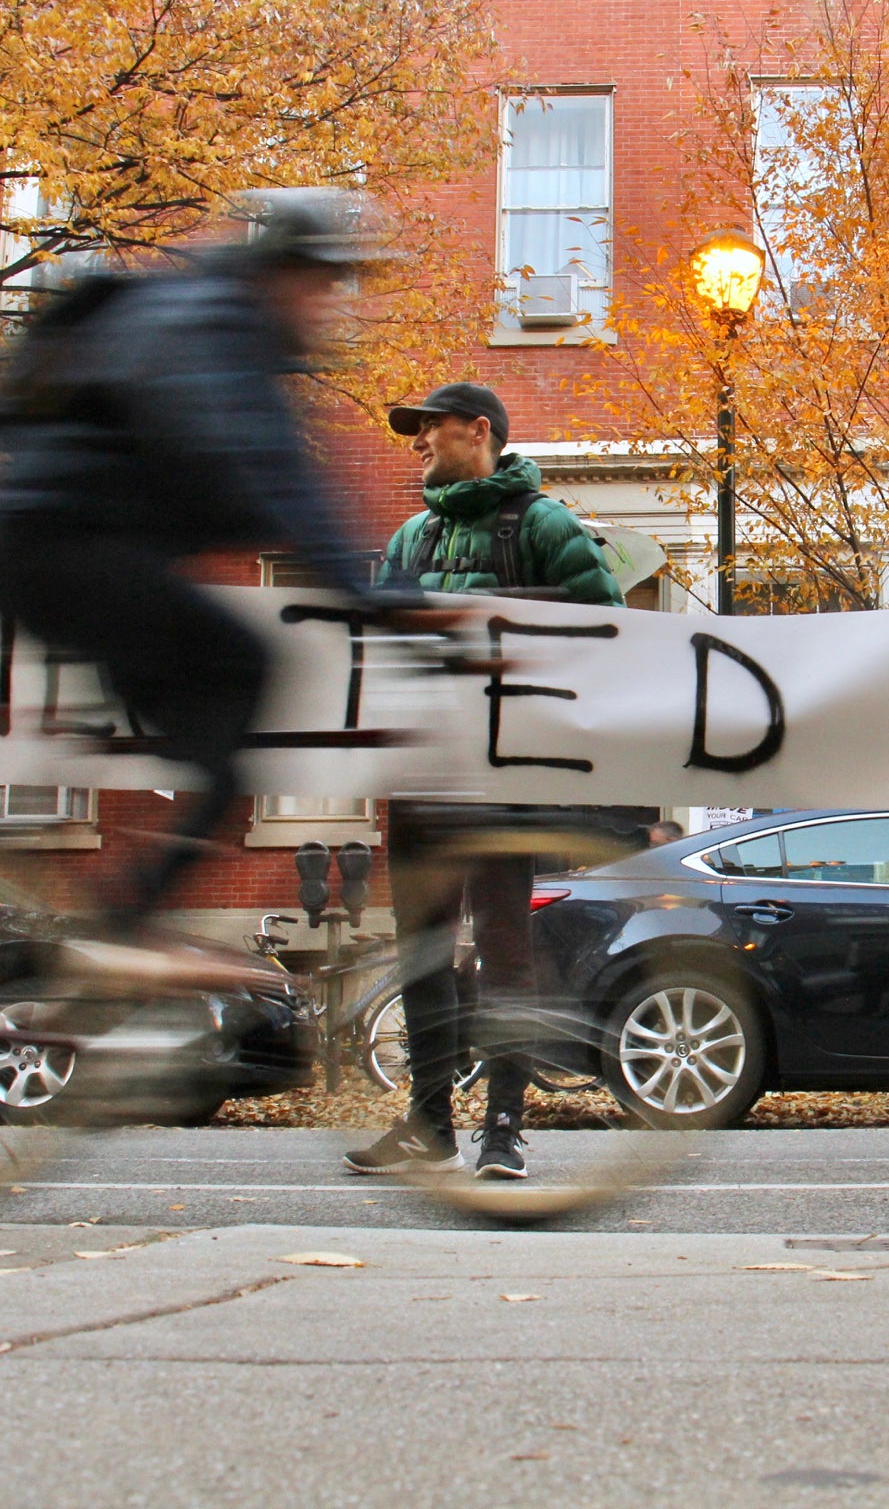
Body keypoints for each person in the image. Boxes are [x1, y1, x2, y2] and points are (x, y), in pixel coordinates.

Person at [0, 189, 382, 934]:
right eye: (324, 285)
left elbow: (292, 481)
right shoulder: (209, 326)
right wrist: (368, 593)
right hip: (61, 548)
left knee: (211, 723)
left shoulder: (233, 336)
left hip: (69, 548)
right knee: (249, 671)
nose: (329, 306)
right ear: (282, 274)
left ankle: (120, 918)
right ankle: (128, 916)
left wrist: (368, 586)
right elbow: (250, 464)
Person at [346, 382, 620, 1182]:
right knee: (424, 952)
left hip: (509, 778)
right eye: (414, 430)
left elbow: (608, 636)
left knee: (505, 952)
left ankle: (505, 1128)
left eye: (430, 427)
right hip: (424, 775)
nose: (418, 441)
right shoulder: (409, 538)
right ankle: (429, 1123)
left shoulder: (545, 525)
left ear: (481, 432)